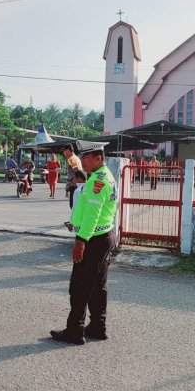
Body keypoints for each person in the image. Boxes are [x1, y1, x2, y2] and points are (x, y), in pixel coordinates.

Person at [51, 144, 117, 345]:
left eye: (86, 158)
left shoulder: (98, 181)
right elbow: (86, 207)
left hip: (94, 240)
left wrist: (81, 241)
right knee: (98, 286)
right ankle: (98, 326)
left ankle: (75, 330)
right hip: (103, 236)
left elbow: (92, 215)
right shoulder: (104, 175)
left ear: (97, 158)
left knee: (79, 286)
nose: (82, 163)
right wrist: (75, 222)